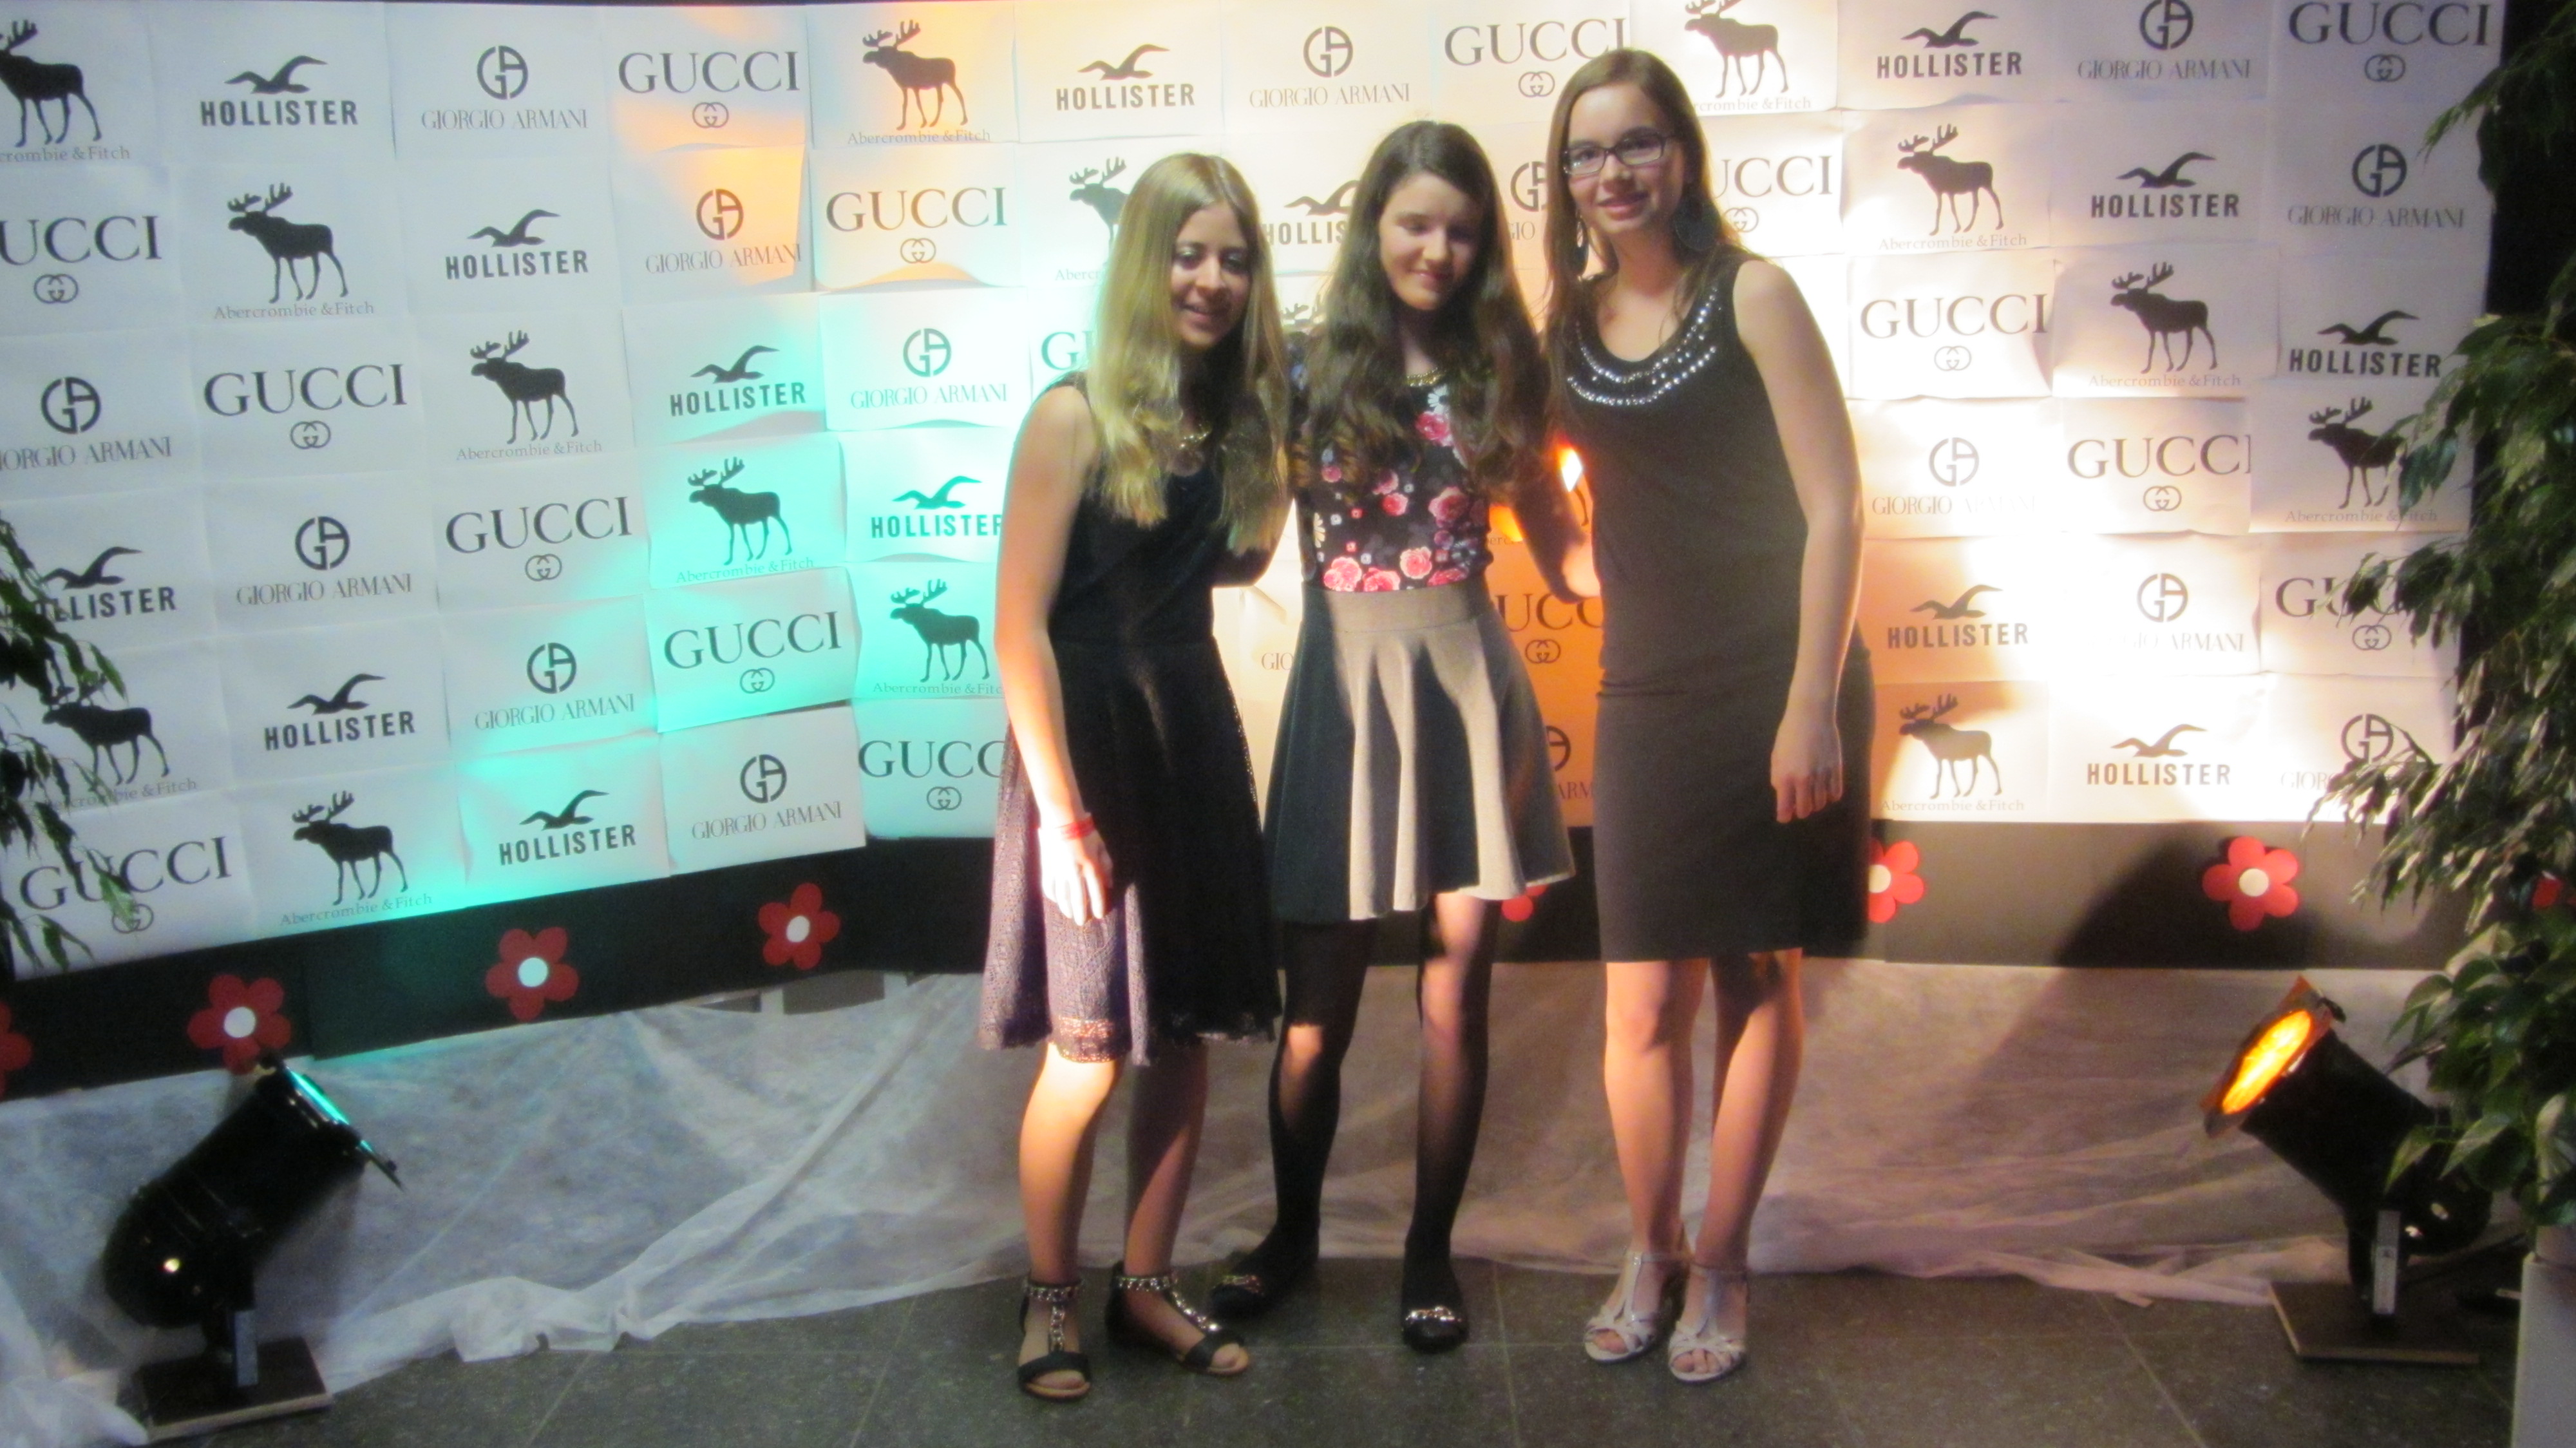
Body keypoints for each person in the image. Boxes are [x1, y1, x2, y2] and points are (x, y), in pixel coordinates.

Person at [1209, 121, 1586, 1353]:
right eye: (1416, 223)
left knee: (1454, 1001)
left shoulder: (1503, 370)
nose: (1438, 249)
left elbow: (1570, 556)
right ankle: (1292, 1236)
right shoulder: (1305, 365)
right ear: (1374, 222)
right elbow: (1246, 547)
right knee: (1314, 1013)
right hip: (1343, 693)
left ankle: (1430, 1252)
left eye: (1463, 231)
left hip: (1466, 690)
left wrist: (1701, 553)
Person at [1542, 50, 1871, 1384]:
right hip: (1645, 686)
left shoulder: (1756, 294)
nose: (1611, 172)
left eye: (1636, 143)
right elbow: (1546, 484)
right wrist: (1571, 553)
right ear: (1562, 178)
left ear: (1680, 152)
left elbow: (1838, 507)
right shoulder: (1564, 323)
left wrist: (1810, 704)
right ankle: (1651, 1245)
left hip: (1774, 676)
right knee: (1636, 999)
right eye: (1585, 152)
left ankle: (1723, 1259)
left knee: (1753, 976)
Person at [978, 151, 1294, 1402]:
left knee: (1187, 1036)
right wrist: (1061, 817)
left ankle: (1146, 1283)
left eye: (1233, 259)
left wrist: (1278, 431)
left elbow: (1238, 564)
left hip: (1192, 734)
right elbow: (1017, 629)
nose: (1210, 279)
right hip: (1089, 754)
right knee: (1089, 1049)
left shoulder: (1232, 427)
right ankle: (1050, 1294)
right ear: (1141, 261)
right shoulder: (1072, 415)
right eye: (1187, 252)